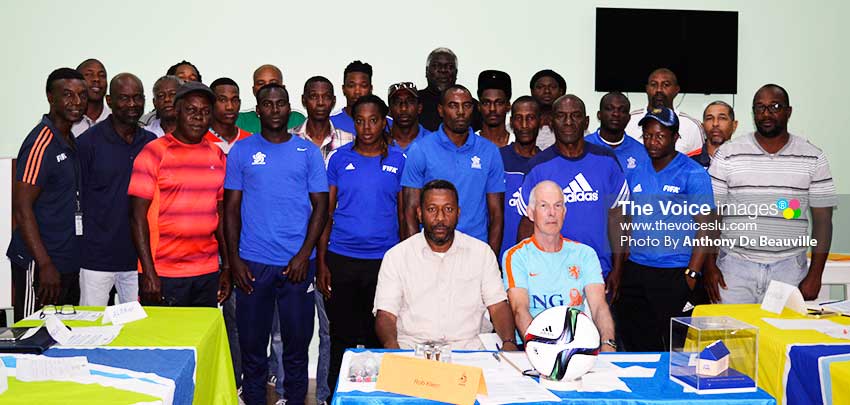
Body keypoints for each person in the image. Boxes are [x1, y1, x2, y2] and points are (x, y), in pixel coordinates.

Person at [224, 83, 328, 405]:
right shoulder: (241, 151)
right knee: (253, 350)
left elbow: (322, 207)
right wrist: (235, 261)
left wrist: (303, 255)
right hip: (253, 265)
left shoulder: (307, 151)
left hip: (298, 266)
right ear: (258, 110)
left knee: (296, 350)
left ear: (289, 108)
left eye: (280, 104)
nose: (274, 110)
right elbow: (229, 210)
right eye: (267, 105)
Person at [706, 84, 836, 303]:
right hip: (734, 270)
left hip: (789, 271)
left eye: (775, 106)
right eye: (760, 107)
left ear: (788, 111)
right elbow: (710, 215)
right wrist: (709, 267)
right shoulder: (728, 154)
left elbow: (823, 221)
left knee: (784, 335)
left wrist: (815, 275)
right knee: (732, 336)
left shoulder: (813, 157)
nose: (766, 113)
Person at [318, 94, 405, 399]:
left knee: (377, 334)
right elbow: (326, 213)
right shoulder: (339, 159)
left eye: (373, 120)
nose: (366, 127)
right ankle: (336, 396)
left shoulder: (398, 160)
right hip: (341, 258)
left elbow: (404, 214)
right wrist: (321, 263)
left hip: (384, 263)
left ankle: (379, 396)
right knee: (341, 335)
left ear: (384, 122)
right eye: (360, 120)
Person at [610, 107, 715, 352]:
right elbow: (624, 217)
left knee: (673, 349)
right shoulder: (635, 171)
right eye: (647, 135)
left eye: (660, 136)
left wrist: (692, 275)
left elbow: (706, 227)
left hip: (675, 272)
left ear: (675, 137)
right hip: (636, 271)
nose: (652, 141)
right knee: (636, 345)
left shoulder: (693, 173)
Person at [374, 180, 518, 350]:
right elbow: (386, 314)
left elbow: (498, 306)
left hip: (469, 351)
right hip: (413, 350)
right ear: (420, 214)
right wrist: (392, 346)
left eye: (448, 209)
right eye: (432, 209)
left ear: (458, 213)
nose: (440, 218)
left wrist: (509, 343)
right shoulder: (397, 256)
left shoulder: (482, 253)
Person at [128, 82, 231, 308]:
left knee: (200, 340)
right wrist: (148, 272)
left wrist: (226, 268)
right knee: (162, 342)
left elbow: (222, 218)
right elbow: (137, 218)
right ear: (176, 111)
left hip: (206, 271)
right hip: (163, 273)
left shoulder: (217, 156)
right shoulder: (153, 152)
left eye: (205, 112)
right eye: (191, 110)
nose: (198, 117)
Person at [517, 95, 629, 284]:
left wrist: (617, 271)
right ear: (551, 123)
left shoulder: (607, 160)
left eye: (575, 115)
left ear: (586, 122)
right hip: (550, 275)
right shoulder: (538, 166)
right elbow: (527, 225)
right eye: (561, 116)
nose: (568, 122)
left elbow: (619, 218)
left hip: (599, 273)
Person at [6, 68, 87, 321]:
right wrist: (44, 264)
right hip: (41, 264)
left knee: (63, 339)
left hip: (67, 262)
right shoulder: (41, 142)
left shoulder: (69, 139)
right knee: (32, 336)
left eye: (82, 95)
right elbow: (21, 208)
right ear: (50, 97)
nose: (77, 102)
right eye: (68, 95)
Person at [503, 180, 616, 349]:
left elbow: (599, 306)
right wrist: (542, 350)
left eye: (557, 206)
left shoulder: (585, 254)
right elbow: (520, 309)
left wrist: (608, 343)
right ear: (530, 213)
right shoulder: (516, 256)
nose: (551, 213)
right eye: (543, 206)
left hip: (579, 345)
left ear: (564, 212)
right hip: (535, 346)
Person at [77, 73, 156, 306]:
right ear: (110, 101)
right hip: (96, 259)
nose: (132, 104)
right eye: (124, 98)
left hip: (139, 260)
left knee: (138, 332)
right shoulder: (88, 143)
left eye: (137, 98)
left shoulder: (151, 143)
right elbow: (76, 199)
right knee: (91, 328)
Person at [401, 85, 505, 254]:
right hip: (431, 249)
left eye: (466, 105)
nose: (461, 112)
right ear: (441, 110)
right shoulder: (421, 149)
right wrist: (414, 257)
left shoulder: (489, 151)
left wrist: (491, 259)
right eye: (453, 105)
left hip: (475, 249)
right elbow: (411, 211)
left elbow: (496, 214)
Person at [625, 68, 704, 156]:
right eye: (653, 84)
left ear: (676, 90)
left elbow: (697, 164)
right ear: (647, 89)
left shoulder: (692, 126)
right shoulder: (629, 121)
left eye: (666, 85)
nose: (659, 90)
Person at [500, 96, 540, 259]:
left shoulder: (547, 164)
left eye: (530, 118)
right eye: (519, 118)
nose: (524, 125)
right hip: (498, 254)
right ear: (511, 122)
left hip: (537, 260)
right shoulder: (497, 158)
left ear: (540, 121)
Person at [418, 48, 482, 132]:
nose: (443, 70)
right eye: (437, 65)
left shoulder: (471, 107)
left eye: (449, 66)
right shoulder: (414, 102)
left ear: (456, 72)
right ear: (427, 71)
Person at [585, 92, 650, 174]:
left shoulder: (642, 153)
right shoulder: (583, 147)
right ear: (599, 115)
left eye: (622, 110)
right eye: (609, 109)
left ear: (628, 118)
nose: (616, 114)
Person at [293, 76, 354, 161]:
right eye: (314, 96)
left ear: (334, 101)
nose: (320, 103)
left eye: (326, 97)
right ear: (303, 100)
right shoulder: (288, 139)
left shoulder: (349, 141)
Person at [236, 64, 307, 133]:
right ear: (254, 90)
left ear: (283, 88)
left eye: (273, 83)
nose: (267, 87)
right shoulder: (240, 120)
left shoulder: (296, 119)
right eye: (261, 83)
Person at [204, 77, 252, 153]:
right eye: (223, 100)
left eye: (234, 100)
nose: (230, 107)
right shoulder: (199, 140)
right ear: (210, 103)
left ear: (240, 103)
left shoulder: (249, 140)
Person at [330, 61, 374, 134]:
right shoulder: (330, 122)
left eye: (363, 86)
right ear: (343, 89)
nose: (357, 91)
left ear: (370, 89)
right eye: (351, 86)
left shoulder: (386, 123)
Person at [693, 101, 738, 168]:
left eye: (722, 118)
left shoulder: (745, 161)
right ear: (702, 127)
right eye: (709, 118)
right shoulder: (689, 163)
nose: (715, 124)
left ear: (734, 125)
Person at [529, 69, 566, 150]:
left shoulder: (572, 127)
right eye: (540, 87)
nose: (547, 91)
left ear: (561, 92)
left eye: (552, 87)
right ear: (532, 92)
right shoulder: (519, 126)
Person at [72, 59, 109, 137]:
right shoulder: (63, 123)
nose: (96, 79)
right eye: (89, 74)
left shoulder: (117, 121)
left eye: (102, 75)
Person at [387, 82, 429, 153]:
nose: (403, 108)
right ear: (390, 109)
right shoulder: (379, 141)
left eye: (410, 101)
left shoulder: (432, 142)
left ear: (419, 108)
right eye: (397, 102)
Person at [477, 70, 514, 148]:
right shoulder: (467, 144)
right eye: (486, 103)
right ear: (479, 106)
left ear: (508, 106)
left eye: (499, 103)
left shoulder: (518, 145)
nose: (492, 109)